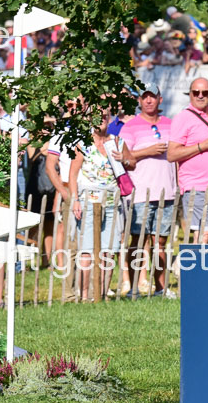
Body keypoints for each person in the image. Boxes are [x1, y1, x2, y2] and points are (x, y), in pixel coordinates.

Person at [118, 84, 176, 298]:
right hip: (141, 192)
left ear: (160, 99)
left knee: (160, 241)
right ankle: (134, 288)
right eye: (145, 97)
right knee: (138, 240)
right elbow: (125, 160)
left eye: (153, 96)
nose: (149, 100)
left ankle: (160, 288)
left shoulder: (171, 124)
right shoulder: (130, 127)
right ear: (139, 101)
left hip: (167, 192)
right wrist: (148, 151)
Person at [68, 108, 125, 302]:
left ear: (109, 119)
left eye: (104, 116)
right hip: (88, 202)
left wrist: (123, 158)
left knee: (109, 250)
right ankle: (85, 295)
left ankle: (101, 293)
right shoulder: (83, 144)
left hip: (111, 202)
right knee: (86, 250)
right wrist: (75, 198)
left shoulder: (117, 141)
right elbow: (73, 174)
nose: (101, 120)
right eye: (96, 117)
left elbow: (130, 163)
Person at [168, 78, 208, 244]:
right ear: (190, 94)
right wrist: (202, 146)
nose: (200, 96)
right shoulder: (183, 118)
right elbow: (172, 154)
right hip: (197, 186)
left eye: (205, 93)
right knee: (203, 234)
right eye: (196, 92)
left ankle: (200, 267)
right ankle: (195, 268)